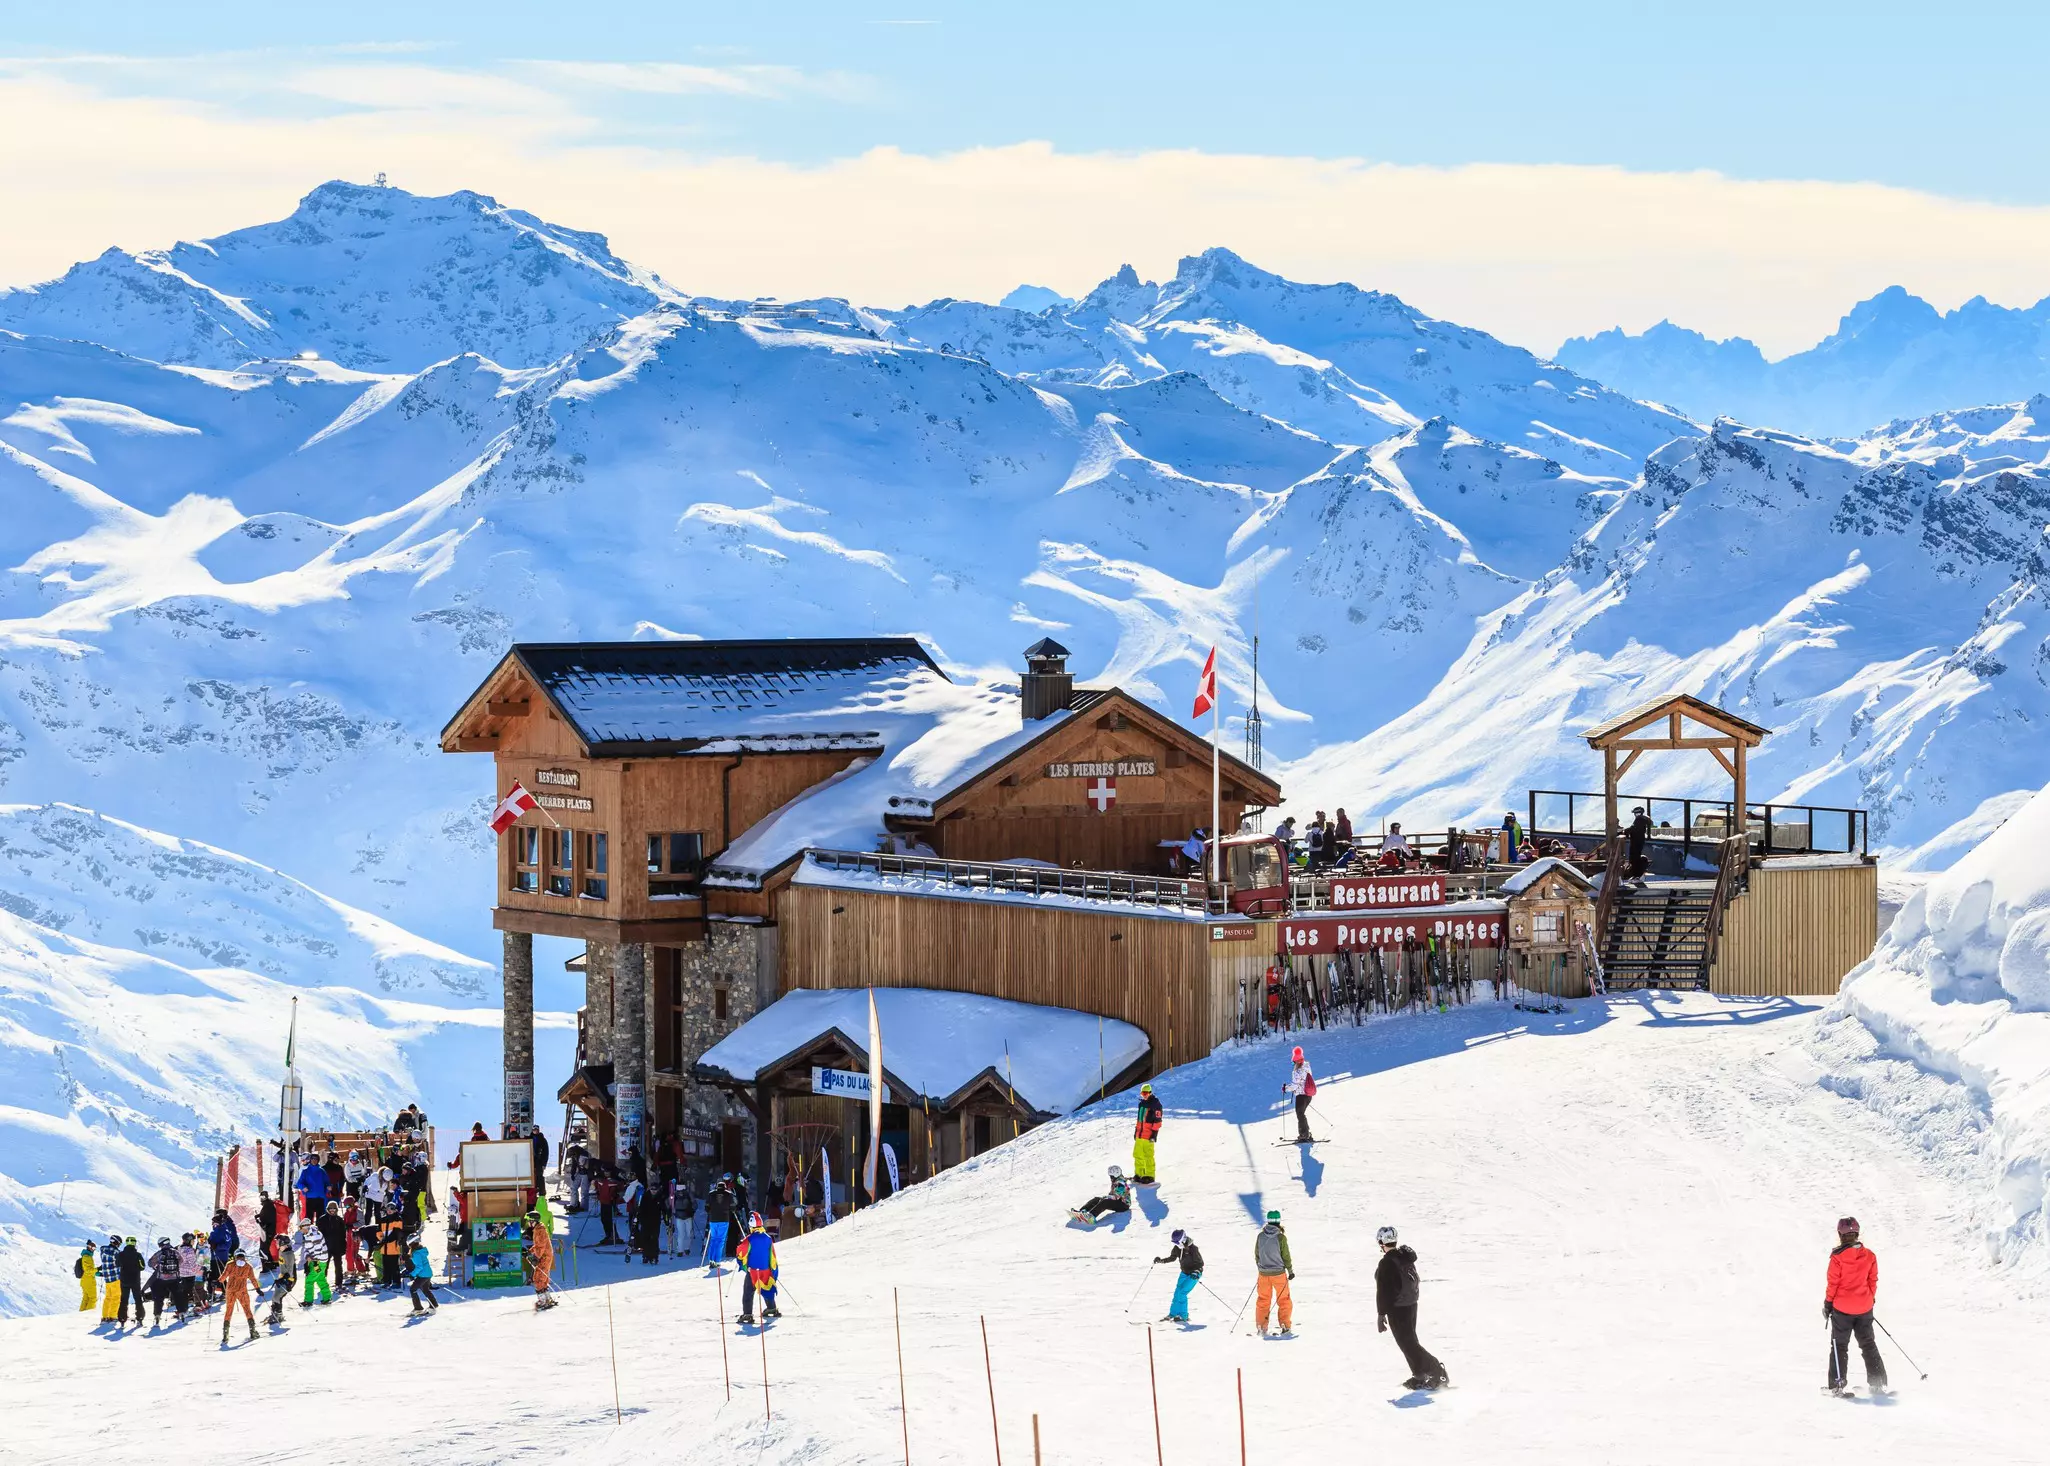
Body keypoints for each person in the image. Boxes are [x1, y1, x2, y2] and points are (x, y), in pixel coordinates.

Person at [1375, 1226, 1448, 1389]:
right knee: (1409, 1342)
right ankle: (1419, 1375)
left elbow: (1383, 1291)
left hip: (1398, 1308)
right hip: (1411, 1304)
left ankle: (1438, 1372)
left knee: (1408, 1344)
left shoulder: (1386, 1262)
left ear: (1381, 1242)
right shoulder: (1404, 1256)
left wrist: (1381, 1314)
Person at [1824, 1216, 1888, 1396]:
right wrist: (1870, 1298)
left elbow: (1833, 1284)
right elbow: (1872, 1280)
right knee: (1868, 1344)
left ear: (1840, 1234)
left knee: (1839, 1346)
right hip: (1864, 1308)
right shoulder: (1870, 1256)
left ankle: (1837, 1385)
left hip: (1842, 1309)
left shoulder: (1837, 1258)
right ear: (1857, 1233)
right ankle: (1878, 1383)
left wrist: (1828, 1304)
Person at [1253, 1209, 1293, 1337]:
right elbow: (1285, 1255)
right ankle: (1285, 1325)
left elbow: (1257, 1254)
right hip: (1279, 1274)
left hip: (1263, 1274)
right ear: (1278, 1220)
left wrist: (1261, 1267)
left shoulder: (1260, 1236)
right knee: (1284, 1300)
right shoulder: (1281, 1237)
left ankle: (1261, 1326)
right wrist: (1290, 1270)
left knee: (1263, 1300)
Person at [737, 1213, 780, 1324]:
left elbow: (741, 1251)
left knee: (748, 1292)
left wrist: (740, 1258)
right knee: (766, 1288)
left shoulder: (749, 1239)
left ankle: (747, 1314)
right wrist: (773, 1269)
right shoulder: (768, 1238)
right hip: (765, 1270)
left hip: (753, 1271)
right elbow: (772, 1255)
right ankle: (771, 1308)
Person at [1153, 1229, 1204, 1323]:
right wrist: (1161, 1261)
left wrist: (1196, 1272)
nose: (1176, 1244)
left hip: (1194, 1274)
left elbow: (1200, 1263)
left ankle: (1183, 1316)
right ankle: (1173, 1314)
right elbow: (1172, 1258)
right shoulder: (1177, 1248)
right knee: (1177, 1293)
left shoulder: (1193, 1249)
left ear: (1183, 1239)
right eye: (1174, 1242)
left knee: (1182, 1293)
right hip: (1184, 1273)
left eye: (1177, 1242)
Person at [220, 1249, 258, 1344]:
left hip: (230, 1291)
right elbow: (253, 1279)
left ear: (235, 1256)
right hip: (242, 1291)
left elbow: (223, 1277)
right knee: (247, 1309)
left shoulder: (230, 1264)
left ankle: (225, 1335)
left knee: (229, 1311)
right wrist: (258, 1289)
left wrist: (217, 1281)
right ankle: (252, 1331)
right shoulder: (248, 1266)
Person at [524, 1209, 557, 1312]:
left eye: (529, 1221)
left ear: (534, 1221)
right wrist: (529, 1252)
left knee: (538, 1278)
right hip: (544, 1255)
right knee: (542, 1278)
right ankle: (547, 1298)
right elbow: (538, 1245)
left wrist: (536, 1257)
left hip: (544, 1257)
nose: (528, 1223)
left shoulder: (540, 1230)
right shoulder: (538, 1229)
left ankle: (543, 1301)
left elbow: (541, 1247)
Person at [1283, 1046, 1316, 1142]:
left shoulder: (1297, 1071)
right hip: (1308, 1095)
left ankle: (1304, 1135)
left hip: (1301, 1096)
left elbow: (1294, 1085)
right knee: (1301, 1114)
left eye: (1294, 1061)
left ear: (1296, 1060)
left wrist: (1285, 1088)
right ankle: (1306, 1133)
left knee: (1300, 1114)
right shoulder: (1307, 1066)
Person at [1132, 1081, 1162, 1185]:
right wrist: (1136, 1131)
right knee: (1137, 1154)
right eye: (1142, 1094)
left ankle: (1149, 1175)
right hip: (1140, 1134)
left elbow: (1158, 1121)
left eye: (1145, 1094)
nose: (1144, 1096)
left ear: (1150, 1093)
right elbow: (1139, 1119)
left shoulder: (1155, 1104)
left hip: (1148, 1135)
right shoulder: (1141, 1104)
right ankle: (1139, 1174)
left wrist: (1154, 1134)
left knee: (1148, 1156)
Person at [297, 1219, 332, 1307]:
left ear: (305, 1227)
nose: (300, 1230)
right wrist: (307, 1256)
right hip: (316, 1261)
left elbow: (318, 1250)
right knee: (320, 1279)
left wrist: (314, 1262)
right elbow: (306, 1249)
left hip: (318, 1261)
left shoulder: (315, 1235)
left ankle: (308, 1301)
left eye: (300, 1228)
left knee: (309, 1280)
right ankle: (327, 1297)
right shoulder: (307, 1235)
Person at [703, 1177, 735, 1269]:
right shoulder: (729, 1194)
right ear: (724, 1187)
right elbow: (733, 1207)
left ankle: (711, 1259)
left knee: (713, 1239)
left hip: (713, 1220)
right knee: (720, 1240)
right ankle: (717, 1261)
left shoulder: (711, 1194)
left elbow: (706, 1207)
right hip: (724, 1219)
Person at [146, 1236, 179, 1326]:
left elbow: (150, 1263)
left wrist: (157, 1266)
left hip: (162, 1278)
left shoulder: (160, 1253)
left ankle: (157, 1314)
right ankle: (182, 1311)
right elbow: (181, 1261)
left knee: (158, 1298)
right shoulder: (175, 1252)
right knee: (177, 1294)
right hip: (174, 1278)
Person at [116, 1237, 146, 1328]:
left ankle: (122, 1319)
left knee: (124, 1300)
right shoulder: (138, 1255)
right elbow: (142, 1267)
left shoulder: (120, 1254)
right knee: (138, 1299)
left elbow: (117, 1264)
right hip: (135, 1280)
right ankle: (140, 1318)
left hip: (124, 1280)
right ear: (134, 1243)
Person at [407, 1234, 439, 1315]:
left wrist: (412, 1274)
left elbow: (419, 1267)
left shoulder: (416, 1253)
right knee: (425, 1289)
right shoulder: (421, 1250)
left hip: (423, 1275)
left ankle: (418, 1308)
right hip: (427, 1273)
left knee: (413, 1290)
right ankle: (433, 1305)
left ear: (411, 1243)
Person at [97, 1235, 123, 1324]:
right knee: (116, 1297)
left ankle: (105, 1317)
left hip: (107, 1278)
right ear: (117, 1243)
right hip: (115, 1277)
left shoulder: (103, 1251)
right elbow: (120, 1264)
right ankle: (112, 1316)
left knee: (108, 1297)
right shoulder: (116, 1252)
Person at [295, 1153, 329, 1221]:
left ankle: (320, 1230)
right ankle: (309, 1230)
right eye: (312, 1159)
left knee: (321, 1218)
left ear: (318, 1160)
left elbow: (327, 1182)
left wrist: (329, 1187)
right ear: (310, 1160)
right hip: (310, 1197)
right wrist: (303, 1187)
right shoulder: (305, 1171)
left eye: (316, 1159)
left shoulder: (322, 1171)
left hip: (321, 1197)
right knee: (309, 1217)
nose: (314, 1160)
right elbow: (299, 1183)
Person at [1626, 805, 1652, 879]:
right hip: (1637, 840)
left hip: (1637, 841)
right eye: (1635, 813)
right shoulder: (1641, 820)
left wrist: (1626, 831)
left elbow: (1634, 828)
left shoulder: (1640, 820)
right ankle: (1636, 875)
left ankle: (1637, 875)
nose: (1637, 815)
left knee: (1634, 858)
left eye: (1638, 813)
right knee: (1634, 857)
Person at [74, 1242, 98, 1313]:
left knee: (86, 1298)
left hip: (85, 1280)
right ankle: (88, 1314)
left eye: (95, 1248)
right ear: (89, 1247)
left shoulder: (86, 1256)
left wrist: (98, 1273)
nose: (94, 1250)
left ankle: (81, 1313)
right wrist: (98, 1269)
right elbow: (88, 1270)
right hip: (89, 1281)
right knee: (92, 1298)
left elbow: (88, 1270)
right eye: (93, 1248)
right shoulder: (87, 1257)